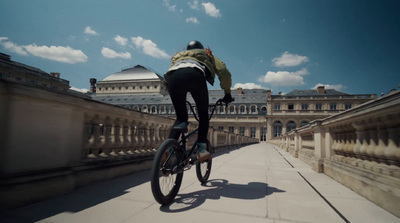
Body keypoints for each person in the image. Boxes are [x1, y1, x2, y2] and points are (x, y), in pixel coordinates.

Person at [164, 40, 233, 162]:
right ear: (202, 49)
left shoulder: (179, 56)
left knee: (180, 118)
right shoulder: (206, 54)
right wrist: (227, 93)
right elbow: (223, 71)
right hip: (195, 75)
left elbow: (169, 77)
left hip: (172, 78)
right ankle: (201, 150)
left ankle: (168, 150)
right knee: (203, 115)